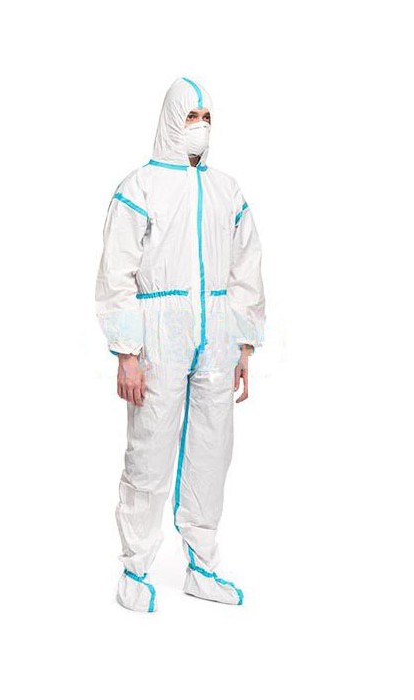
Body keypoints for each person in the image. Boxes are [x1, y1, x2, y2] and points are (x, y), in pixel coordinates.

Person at [95, 76, 265, 613]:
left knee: (213, 452)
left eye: (207, 118)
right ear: (171, 120)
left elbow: (246, 270)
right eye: (191, 117)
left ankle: (202, 565)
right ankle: (135, 569)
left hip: (216, 336)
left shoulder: (226, 191)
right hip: (159, 337)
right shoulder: (140, 188)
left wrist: (243, 345)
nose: (200, 127)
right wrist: (126, 352)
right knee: (149, 450)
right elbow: (116, 275)